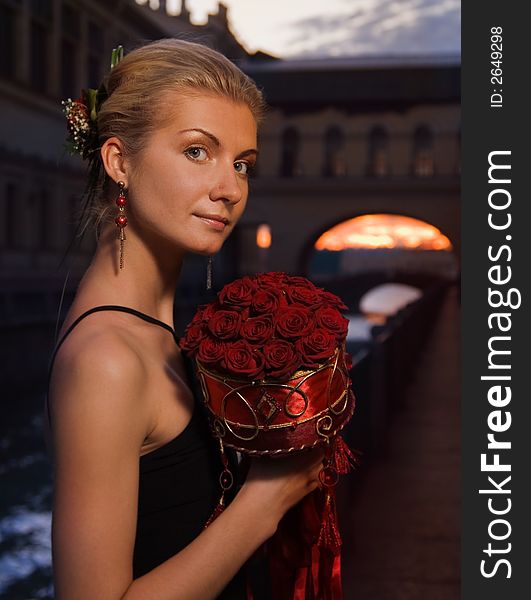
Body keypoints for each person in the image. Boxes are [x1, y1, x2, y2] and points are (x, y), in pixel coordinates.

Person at [44, 39, 324, 600]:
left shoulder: (158, 335)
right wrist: (265, 501)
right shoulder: (108, 359)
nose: (230, 189)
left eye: (242, 164)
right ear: (119, 161)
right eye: (198, 151)